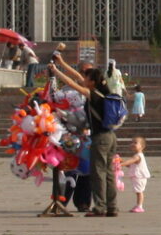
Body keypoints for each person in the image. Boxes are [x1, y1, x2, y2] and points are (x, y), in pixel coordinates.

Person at [50, 53, 118, 217]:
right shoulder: (103, 92)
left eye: (87, 79)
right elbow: (77, 77)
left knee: (98, 173)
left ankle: (100, 207)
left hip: (100, 138)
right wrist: (62, 62)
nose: (83, 80)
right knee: (108, 173)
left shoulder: (93, 95)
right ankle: (112, 207)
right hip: (110, 136)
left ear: (92, 82)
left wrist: (55, 70)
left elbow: (71, 82)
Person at [124, 136, 150, 213]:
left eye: (135, 143)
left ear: (142, 146)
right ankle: (138, 205)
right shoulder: (137, 155)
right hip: (137, 176)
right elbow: (130, 165)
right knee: (138, 191)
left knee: (139, 191)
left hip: (140, 176)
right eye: (132, 142)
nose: (132, 144)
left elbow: (130, 161)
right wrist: (121, 162)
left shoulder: (138, 156)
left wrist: (121, 164)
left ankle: (140, 206)